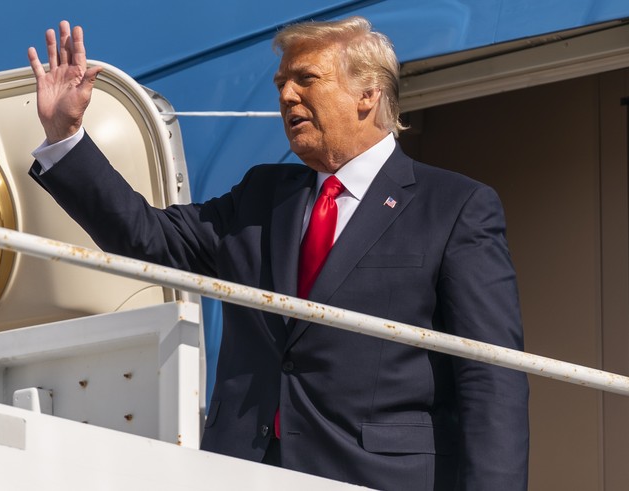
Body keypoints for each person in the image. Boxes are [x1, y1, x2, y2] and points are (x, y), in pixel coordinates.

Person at [27, 17, 529, 490]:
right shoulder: (262, 195)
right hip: (246, 470)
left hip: (374, 475)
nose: (287, 95)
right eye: (281, 84)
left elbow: (492, 377)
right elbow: (145, 235)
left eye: (306, 79)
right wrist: (64, 137)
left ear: (368, 94)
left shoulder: (454, 206)